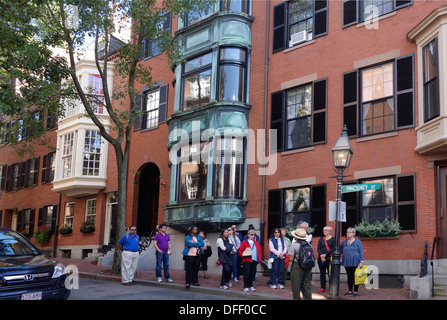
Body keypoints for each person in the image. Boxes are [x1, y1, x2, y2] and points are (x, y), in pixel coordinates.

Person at [339, 227, 364, 297]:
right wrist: (341, 252)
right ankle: (350, 291)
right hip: (347, 261)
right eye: (347, 232)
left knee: (355, 276)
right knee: (349, 276)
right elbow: (340, 248)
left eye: (349, 232)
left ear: (354, 234)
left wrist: (361, 261)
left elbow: (361, 251)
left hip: (355, 261)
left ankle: (355, 291)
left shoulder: (358, 242)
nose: (348, 233)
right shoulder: (344, 242)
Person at [289, 228, 312, 300]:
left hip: (297, 266)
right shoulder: (308, 245)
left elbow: (291, 259)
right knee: (307, 285)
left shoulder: (294, 245)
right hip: (308, 266)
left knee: (296, 286)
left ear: (296, 237)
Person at [317, 226, 335, 292]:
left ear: (330, 231)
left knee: (330, 274)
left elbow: (333, 249)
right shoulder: (321, 239)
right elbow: (318, 248)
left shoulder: (333, 239)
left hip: (329, 258)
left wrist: (325, 254)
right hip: (321, 259)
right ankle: (323, 287)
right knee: (322, 273)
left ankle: (331, 287)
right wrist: (321, 255)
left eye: (326, 230)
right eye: (323, 230)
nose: (324, 231)